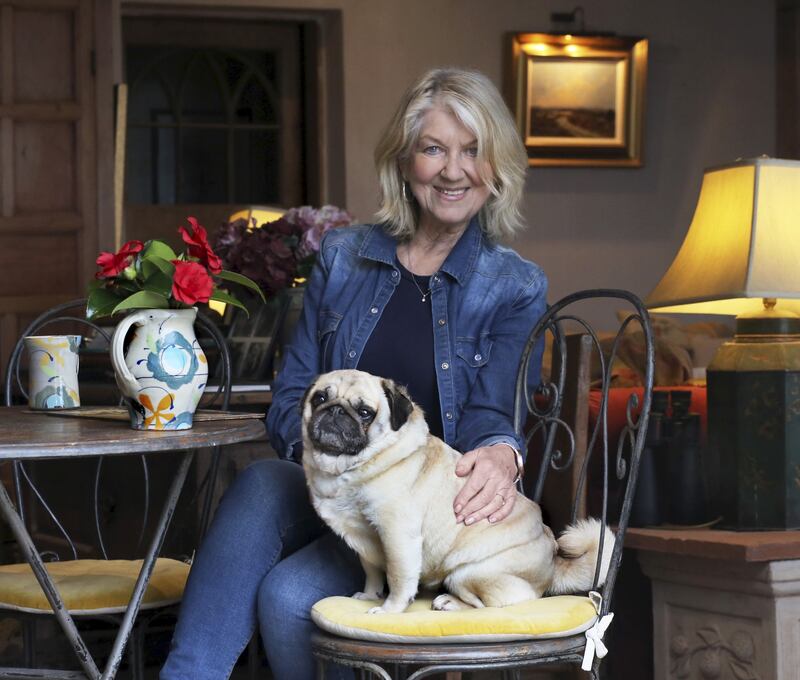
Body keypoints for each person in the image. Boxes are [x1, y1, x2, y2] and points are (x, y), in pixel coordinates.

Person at [160, 67, 548, 680]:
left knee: (288, 596)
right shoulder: (344, 257)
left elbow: (492, 415)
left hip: (418, 518)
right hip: (328, 487)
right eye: (434, 149)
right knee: (262, 480)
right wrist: (329, 469)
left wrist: (502, 452)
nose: (454, 171)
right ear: (404, 162)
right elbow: (293, 393)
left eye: (473, 151)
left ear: (496, 166)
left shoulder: (515, 285)